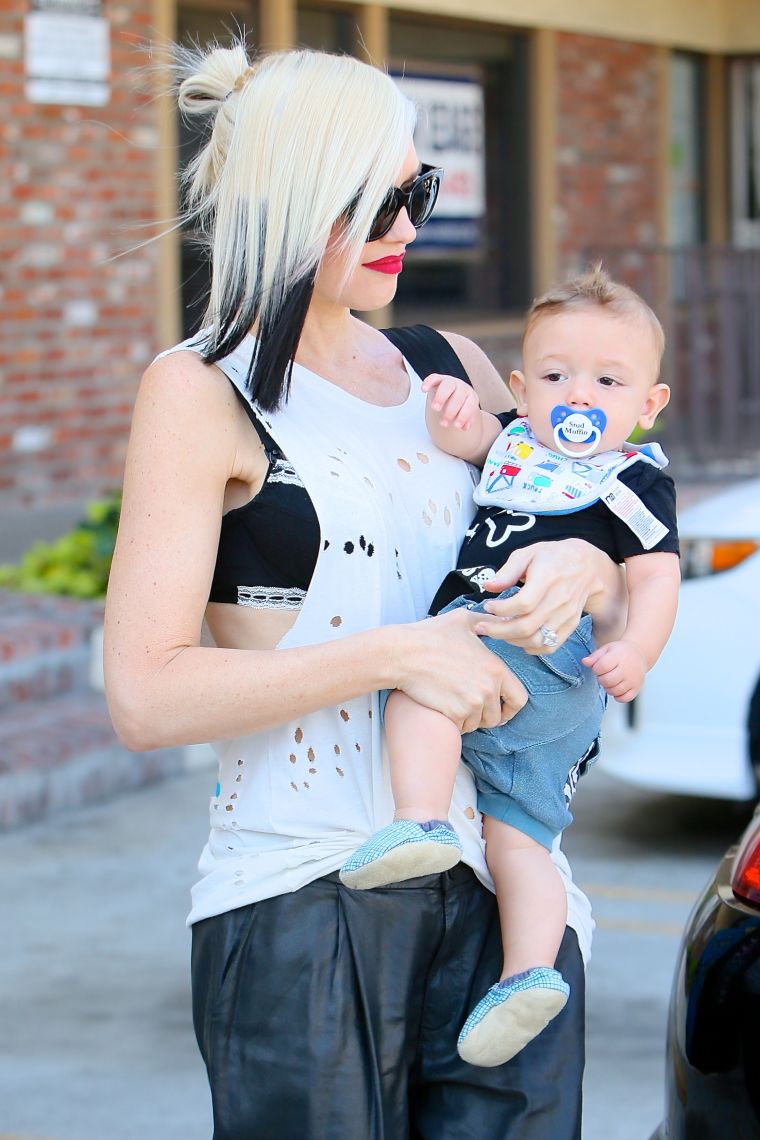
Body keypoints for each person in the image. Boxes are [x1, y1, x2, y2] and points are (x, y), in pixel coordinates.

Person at [104, 40, 629, 1140]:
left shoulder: (455, 370)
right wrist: (399, 655)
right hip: (304, 897)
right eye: (377, 201)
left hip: (505, 884)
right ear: (292, 197)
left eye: (418, 191)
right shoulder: (201, 390)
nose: (409, 227)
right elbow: (144, 697)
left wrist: (593, 570)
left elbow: (617, 582)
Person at [340, 268, 681, 1068]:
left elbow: (656, 575)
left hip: (536, 645)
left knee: (418, 689)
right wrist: (455, 413)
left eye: (608, 379)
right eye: (556, 377)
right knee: (518, 838)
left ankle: (419, 817)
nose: (579, 395)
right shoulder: (518, 443)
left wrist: (638, 650)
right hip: (551, 709)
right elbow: (467, 445)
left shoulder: (633, 477)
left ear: (649, 404)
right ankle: (528, 973)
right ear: (522, 389)